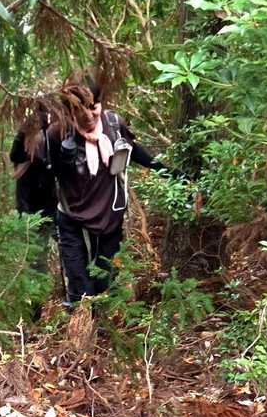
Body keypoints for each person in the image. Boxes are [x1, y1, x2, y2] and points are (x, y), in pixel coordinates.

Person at [14, 74, 169, 307]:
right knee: (81, 291)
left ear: (100, 103)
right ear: (69, 111)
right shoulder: (56, 134)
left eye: (93, 106)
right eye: (80, 110)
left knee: (104, 281)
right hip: (72, 219)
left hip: (109, 217)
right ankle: (80, 324)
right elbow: (43, 172)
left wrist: (170, 173)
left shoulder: (113, 125)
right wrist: (63, 159)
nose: (88, 116)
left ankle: (102, 323)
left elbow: (137, 153)